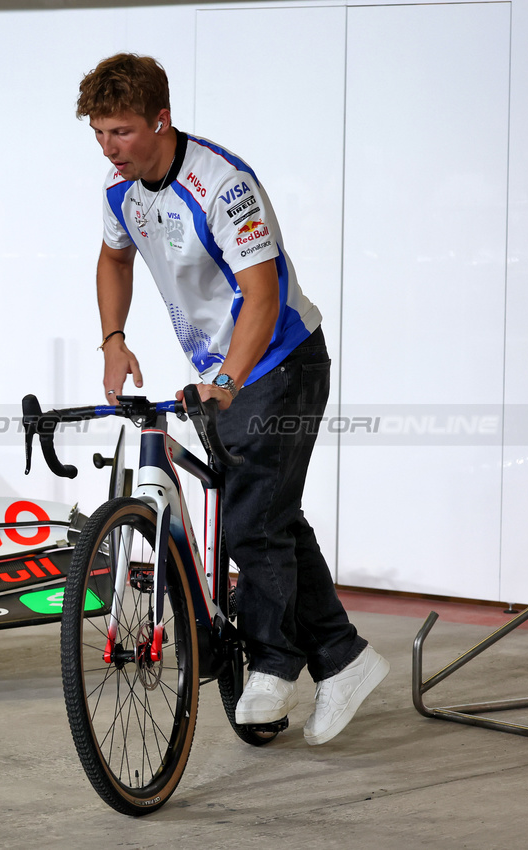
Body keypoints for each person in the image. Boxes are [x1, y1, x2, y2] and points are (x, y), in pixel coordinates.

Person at [76, 53, 387, 745]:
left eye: (121, 132)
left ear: (161, 120)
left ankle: (276, 666)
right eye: (98, 133)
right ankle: (344, 659)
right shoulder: (118, 188)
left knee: (252, 520)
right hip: (225, 368)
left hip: (280, 358)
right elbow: (113, 257)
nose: (107, 148)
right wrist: (113, 339)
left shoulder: (221, 184)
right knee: (271, 509)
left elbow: (262, 293)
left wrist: (226, 381)